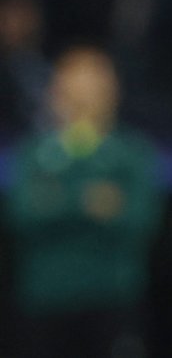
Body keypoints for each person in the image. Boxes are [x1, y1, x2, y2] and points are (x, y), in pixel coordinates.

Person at [4, 46, 163, 358]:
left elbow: (137, 220)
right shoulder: (33, 154)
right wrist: (90, 202)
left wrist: (55, 201)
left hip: (112, 301)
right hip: (44, 302)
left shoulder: (132, 153)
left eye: (94, 88)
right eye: (74, 88)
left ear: (111, 92)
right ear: (55, 93)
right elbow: (22, 216)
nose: (84, 99)